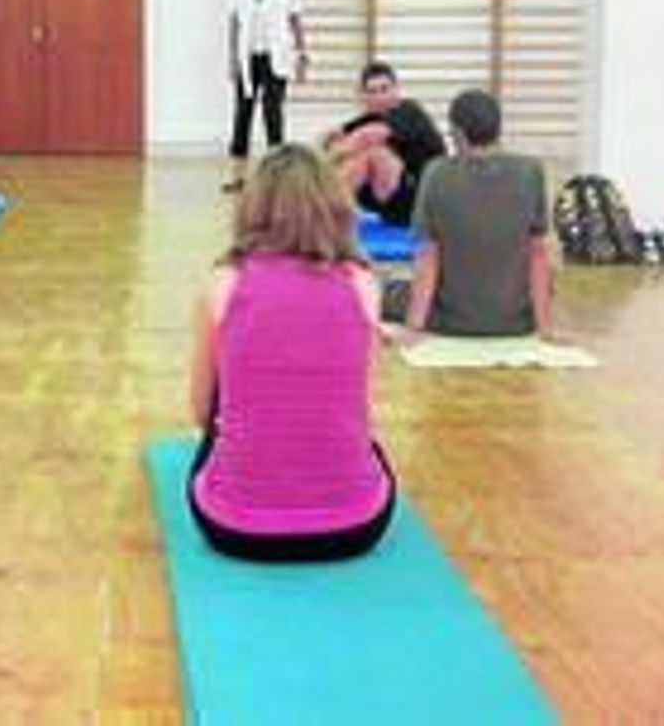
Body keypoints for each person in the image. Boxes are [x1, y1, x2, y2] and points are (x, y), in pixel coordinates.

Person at [186, 143, 396, 562]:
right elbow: (357, 406)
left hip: (234, 529)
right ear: (333, 205)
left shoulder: (223, 281)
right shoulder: (363, 283)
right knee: (370, 448)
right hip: (355, 529)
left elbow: (200, 410)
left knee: (220, 428)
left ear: (253, 208)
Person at [391, 89, 554, 340]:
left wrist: (413, 328)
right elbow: (539, 255)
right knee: (548, 284)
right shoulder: (531, 172)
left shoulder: (436, 173)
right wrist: (544, 330)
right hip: (517, 323)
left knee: (387, 289)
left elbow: (427, 257)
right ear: (498, 129)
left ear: (457, 133)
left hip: (449, 321)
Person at [224, 0, 307, 193]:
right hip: (248, 58)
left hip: (276, 58)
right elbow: (235, 23)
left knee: (273, 115)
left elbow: (296, 22)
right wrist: (232, 58)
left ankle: (277, 179)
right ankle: (238, 177)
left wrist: (302, 54)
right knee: (242, 115)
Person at [325, 62, 447, 227]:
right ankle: (323, 211)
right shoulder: (369, 118)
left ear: (396, 90)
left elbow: (367, 136)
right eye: (372, 92)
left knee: (373, 153)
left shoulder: (409, 110)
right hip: (390, 204)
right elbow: (332, 136)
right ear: (363, 97)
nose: (379, 97)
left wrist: (320, 163)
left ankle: (323, 212)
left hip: (422, 203)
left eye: (384, 89)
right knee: (350, 153)